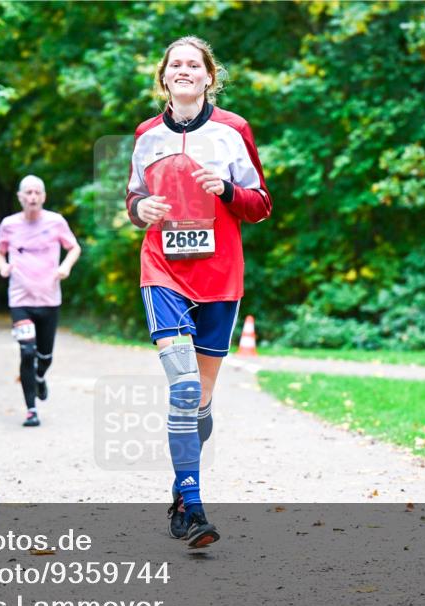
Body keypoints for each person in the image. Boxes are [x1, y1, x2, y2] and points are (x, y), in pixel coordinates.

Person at [126, 36, 272, 548]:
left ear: (209, 76)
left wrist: (227, 190)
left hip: (219, 273)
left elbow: (259, 204)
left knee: (199, 402)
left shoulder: (233, 130)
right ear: (164, 77)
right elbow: (134, 198)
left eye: (194, 64)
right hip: (162, 268)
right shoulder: (146, 135)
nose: (185, 70)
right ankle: (195, 506)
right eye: (175, 65)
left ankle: (179, 486)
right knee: (183, 388)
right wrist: (139, 210)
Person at [0, 175, 81, 427]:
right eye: (27, 193)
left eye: (37, 193)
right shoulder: (8, 224)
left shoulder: (56, 222)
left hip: (49, 299)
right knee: (26, 351)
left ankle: (40, 376)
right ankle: (31, 410)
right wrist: (2, 266)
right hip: (20, 300)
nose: (32, 197)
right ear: (20, 197)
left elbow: (74, 247)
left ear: (43, 196)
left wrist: (65, 267)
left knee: (45, 356)